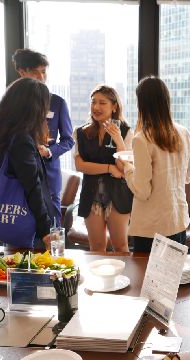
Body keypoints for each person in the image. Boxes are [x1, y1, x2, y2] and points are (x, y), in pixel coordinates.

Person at [0, 77, 61, 248]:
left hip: (10, 218)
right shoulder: (21, 140)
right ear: (33, 107)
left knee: (14, 264)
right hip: (30, 223)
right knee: (34, 270)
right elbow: (32, 187)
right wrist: (46, 229)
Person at [117, 76, 190, 252]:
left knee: (147, 278)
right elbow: (187, 177)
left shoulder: (142, 139)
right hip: (178, 220)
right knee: (173, 278)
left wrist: (127, 167)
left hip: (151, 227)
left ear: (142, 104)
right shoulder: (183, 133)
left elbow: (143, 191)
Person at [12, 48, 74, 215]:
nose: (41, 77)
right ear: (22, 72)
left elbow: (69, 141)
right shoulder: (13, 104)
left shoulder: (57, 103)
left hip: (49, 175)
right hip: (19, 174)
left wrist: (49, 151)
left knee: (51, 225)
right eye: (35, 72)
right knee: (21, 226)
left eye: (44, 72)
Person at [73, 85, 133, 252]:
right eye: (93, 102)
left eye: (102, 103)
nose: (96, 107)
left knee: (121, 247)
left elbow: (123, 168)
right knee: (97, 247)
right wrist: (108, 167)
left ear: (114, 106)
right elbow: (80, 166)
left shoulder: (126, 132)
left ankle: (124, 279)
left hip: (118, 196)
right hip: (91, 196)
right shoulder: (80, 133)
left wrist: (119, 141)